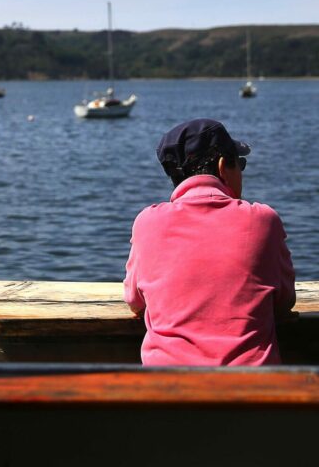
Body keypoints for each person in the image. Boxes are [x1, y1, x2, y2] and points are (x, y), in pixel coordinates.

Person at [123, 118, 296, 366]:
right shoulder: (263, 220)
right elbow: (284, 301)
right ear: (224, 165)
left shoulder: (146, 223)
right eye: (241, 164)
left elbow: (134, 301)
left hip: (167, 392)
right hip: (253, 393)